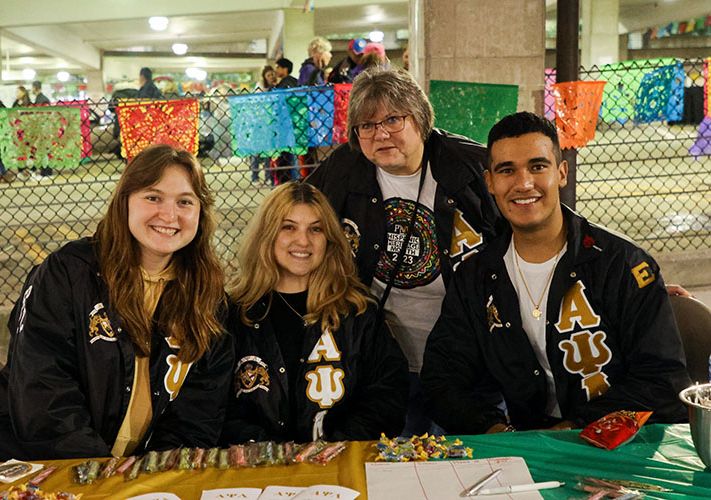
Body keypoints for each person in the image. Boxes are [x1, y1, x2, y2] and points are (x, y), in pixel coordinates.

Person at [421, 112, 690, 435]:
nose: (523, 184)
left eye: (538, 167)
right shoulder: (476, 276)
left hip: (620, 449)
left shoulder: (623, 265)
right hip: (526, 450)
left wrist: (571, 429)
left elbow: (663, 383)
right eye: (507, 170)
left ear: (561, 173)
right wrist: (495, 430)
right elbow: (442, 379)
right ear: (490, 182)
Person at [0, 144, 233, 463]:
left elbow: (198, 415)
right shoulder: (67, 273)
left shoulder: (207, 296)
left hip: (126, 474)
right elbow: (44, 399)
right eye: (153, 197)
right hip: (27, 463)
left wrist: (153, 474)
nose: (169, 215)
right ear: (125, 202)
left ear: (200, 213)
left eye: (184, 202)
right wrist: (103, 473)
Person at [307, 66, 501, 436]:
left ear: (421, 119)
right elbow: (293, 217)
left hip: (469, 360)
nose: (380, 133)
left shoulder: (471, 167)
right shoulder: (343, 170)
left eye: (393, 120)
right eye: (366, 125)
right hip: (381, 359)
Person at [222, 181, 409, 444]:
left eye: (316, 229)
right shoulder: (233, 313)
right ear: (267, 234)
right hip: (259, 470)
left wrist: (339, 445)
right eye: (288, 227)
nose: (303, 241)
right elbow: (216, 405)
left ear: (329, 238)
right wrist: (269, 453)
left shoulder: (357, 311)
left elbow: (388, 393)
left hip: (340, 465)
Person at [250, 65, 277, 186]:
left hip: (270, 124)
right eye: (268, 75)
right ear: (264, 77)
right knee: (256, 151)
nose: (271, 77)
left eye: (272, 74)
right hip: (258, 123)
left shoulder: (276, 87)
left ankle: (268, 176)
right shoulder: (260, 87)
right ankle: (254, 177)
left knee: (268, 152)